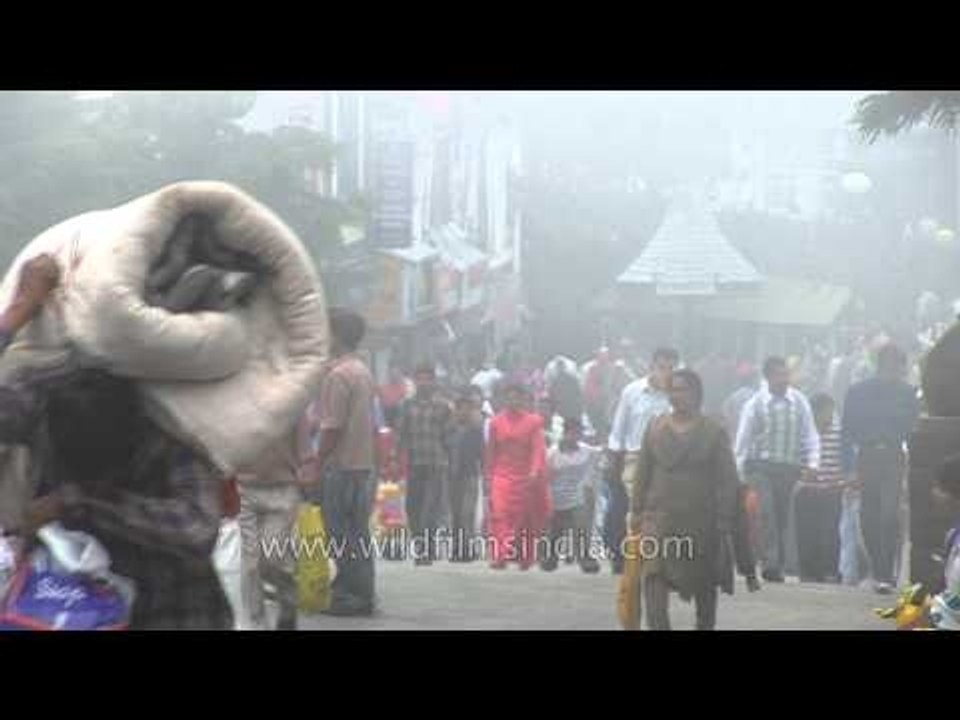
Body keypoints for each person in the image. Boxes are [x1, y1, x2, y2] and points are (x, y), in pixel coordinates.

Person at [2, 256, 232, 629]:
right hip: (67, 603)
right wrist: (20, 310)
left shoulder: (170, 424)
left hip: (171, 608)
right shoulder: (44, 395)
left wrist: (76, 501)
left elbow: (196, 527)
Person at [627, 369, 742, 630]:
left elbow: (727, 480)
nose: (677, 395)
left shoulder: (713, 431)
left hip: (700, 522)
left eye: (683, 390)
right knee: (653, 577)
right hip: (658, 520)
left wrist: (724, 519)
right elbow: (643, 471)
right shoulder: (655, 427)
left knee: (704, 584)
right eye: (673, 390)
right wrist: (636, 510)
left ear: (697, 395)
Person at [301, 307, 378, 617]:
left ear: (336, 335)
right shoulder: (361, 370)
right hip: (363, 465)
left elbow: (332, 427)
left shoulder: (337, 375)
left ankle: (348, 594)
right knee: (358, 532)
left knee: (340, 533)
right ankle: (362, 593)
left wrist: (317, 463)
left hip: (342, 466)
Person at [841, 343, 921, 594]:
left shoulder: (908, 395)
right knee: (868, 516)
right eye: (892, 364)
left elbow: (913, 432)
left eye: (899, 365)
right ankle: (879, 567)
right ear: (882, 364)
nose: (896, 370)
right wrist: (850, 469)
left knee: (888, 514)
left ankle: (885, 573)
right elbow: (847, 432)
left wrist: (911, 466)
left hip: (894, 456)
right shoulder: (858, 392)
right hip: (866, 456)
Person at [735, 356, 820, 583]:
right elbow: (743, 440)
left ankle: (779, 563)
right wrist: (739, 474)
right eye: (779, 375)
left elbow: (810, 434)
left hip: (788, 468)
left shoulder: (799, 402)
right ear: (768, 377)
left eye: (786, 374)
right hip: (760, 467)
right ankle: (770, 564)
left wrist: (813, 463)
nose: (784, 379)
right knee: (767, 512)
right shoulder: (755, 404)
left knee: (782, 516)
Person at [604, 347, 678, 574]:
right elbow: (619, 428)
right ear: (652, 367)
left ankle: (652, 557)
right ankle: (627, 556)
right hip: (634, 457)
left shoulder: (678, 397)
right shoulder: (633, 391)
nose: (665, 373)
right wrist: (614, 457)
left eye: (670, 368)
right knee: (634, 510)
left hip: (665, 461)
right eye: (661, 367)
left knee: (659, 511)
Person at [236, 431, 304, 630]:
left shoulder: (291, 401)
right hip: (244, 488)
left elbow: (305, 445)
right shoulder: (239, 404)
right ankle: (256, 623)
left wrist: (308, 466)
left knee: (273, 557)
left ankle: (289, 601)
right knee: (251, 562)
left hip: (283, 487)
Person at [485, 384, 549, 570]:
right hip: (502, 476)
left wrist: (535, 470)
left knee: (526, 519)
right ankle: (500, 556)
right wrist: (488, 476)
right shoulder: (495, 422)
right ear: (505, 399)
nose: (513, 401)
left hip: (525, 477)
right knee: (499, 514)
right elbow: (490, 452)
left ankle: (526, 556)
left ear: (522, 400)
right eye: (509, 397)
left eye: (517, 397)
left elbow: (538, 449)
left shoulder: (533, 421)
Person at [397, 364, 454, 566]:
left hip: (436, 464)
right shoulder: (406, 405)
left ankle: (426, 551)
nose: (423, 382)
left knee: (430, 510)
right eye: (419, 378)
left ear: (433, 381)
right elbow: (400, 434)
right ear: (415, 381)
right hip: (414, 463)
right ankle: (421, 547)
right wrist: (395, 459)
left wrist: (450, 462)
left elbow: (449, 437)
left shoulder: (443, 406)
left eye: (427, 378)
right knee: (412, 508)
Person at [793, 393, 843, 583]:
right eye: (825, 411)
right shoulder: (803, 434)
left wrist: (841, 481)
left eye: (831, 411)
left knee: (830, 532)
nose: (829, 415)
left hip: (831, 489)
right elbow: (796, 459)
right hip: (807, 490)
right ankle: (808, 571)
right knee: (807, 533)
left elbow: (843, 461)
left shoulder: (839, 433)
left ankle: (830, 570)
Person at [541, 416, 601, 574]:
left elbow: (602, 451)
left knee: (581, 529)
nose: (576, 436)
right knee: (555, 531)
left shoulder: (586, 450)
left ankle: (586, 560)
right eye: (573, 433)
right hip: (556, 498)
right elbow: (545, 477)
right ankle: (550, 558)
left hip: (577, 497)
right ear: (565, 433)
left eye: (578, 433)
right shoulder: (552, 453)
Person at [448, 392, 485, 562]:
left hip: (470, 475)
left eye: (467, 408)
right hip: (452, 476)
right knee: (455, 514)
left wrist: (485, 475)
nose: (463, 411)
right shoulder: (449, 430)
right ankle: (457, 550)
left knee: (467, 513)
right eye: (460, 408)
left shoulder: (476, 431)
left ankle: (468, 549)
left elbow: (482, 454)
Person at [721, 362, 759, 441]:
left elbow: (725, 408)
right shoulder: (755, 396)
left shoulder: (734, 396)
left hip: (737, 429)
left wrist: (731, 421)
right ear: (751, 380)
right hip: (751, 431)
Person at [379, 365, 412, 430]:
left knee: (400, 405)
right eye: (392, 374)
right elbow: (381, 400)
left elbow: (405, 398)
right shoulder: (384, 386)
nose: (394, 376)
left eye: (396, 374)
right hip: (386, 413)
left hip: (398, 414)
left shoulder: (404, 386)